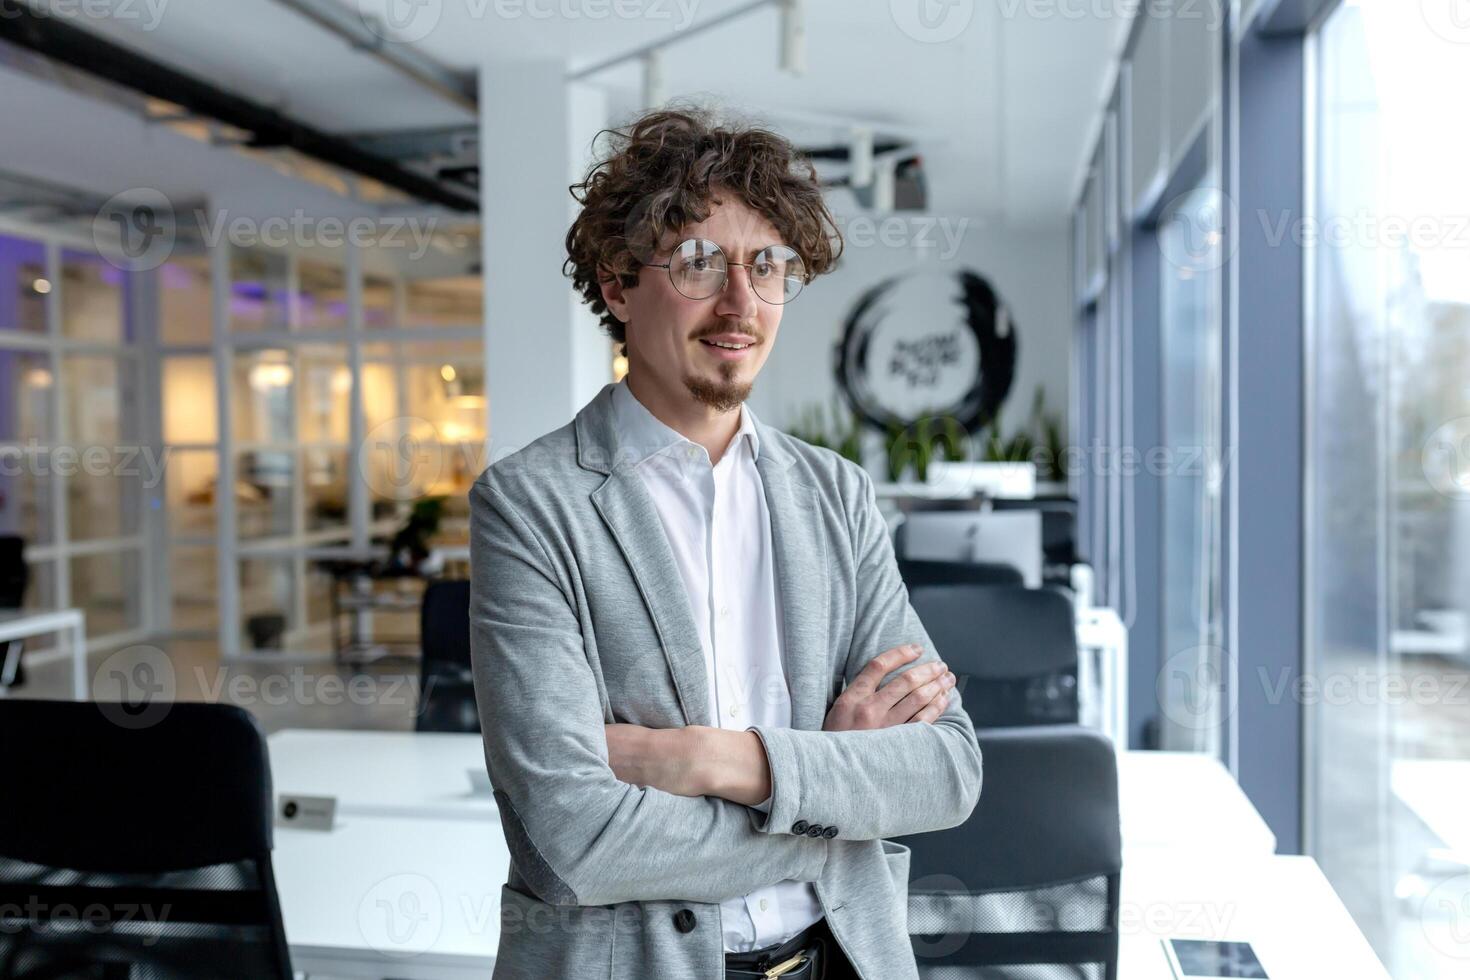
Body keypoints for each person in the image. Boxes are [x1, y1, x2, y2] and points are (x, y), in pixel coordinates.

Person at [469, 106, 982, 980]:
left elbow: (945, 771)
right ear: (620, 282)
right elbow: (578, 835)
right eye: (701, 262)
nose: (742, 303)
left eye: (769, 265)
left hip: (841, 960)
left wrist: (711, 759)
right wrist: (831, 803)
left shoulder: (836, 495)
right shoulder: (529, 504)